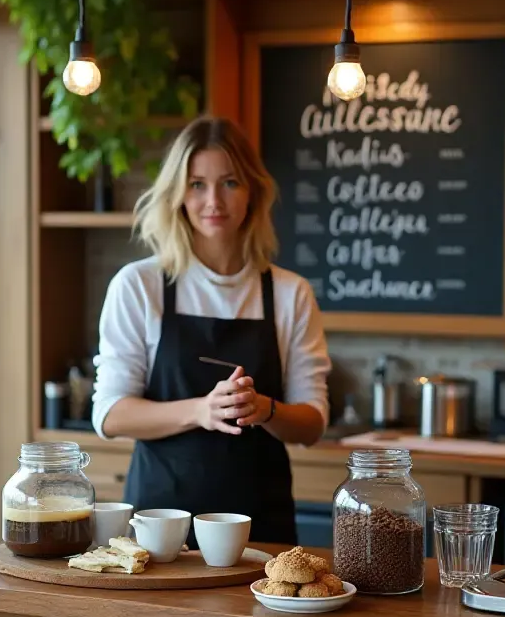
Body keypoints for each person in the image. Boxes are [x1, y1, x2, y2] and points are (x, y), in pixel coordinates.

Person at [92, 116, 331, 547]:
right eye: (197, 184)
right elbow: (110, 414)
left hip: (263, 533)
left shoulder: (290, 293)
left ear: (253, 191)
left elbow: (312, 423)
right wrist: (202, 410)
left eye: (230, 183)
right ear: (178, 193)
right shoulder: (140, 285)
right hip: (161, 533)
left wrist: (265, 409)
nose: (213, 201)